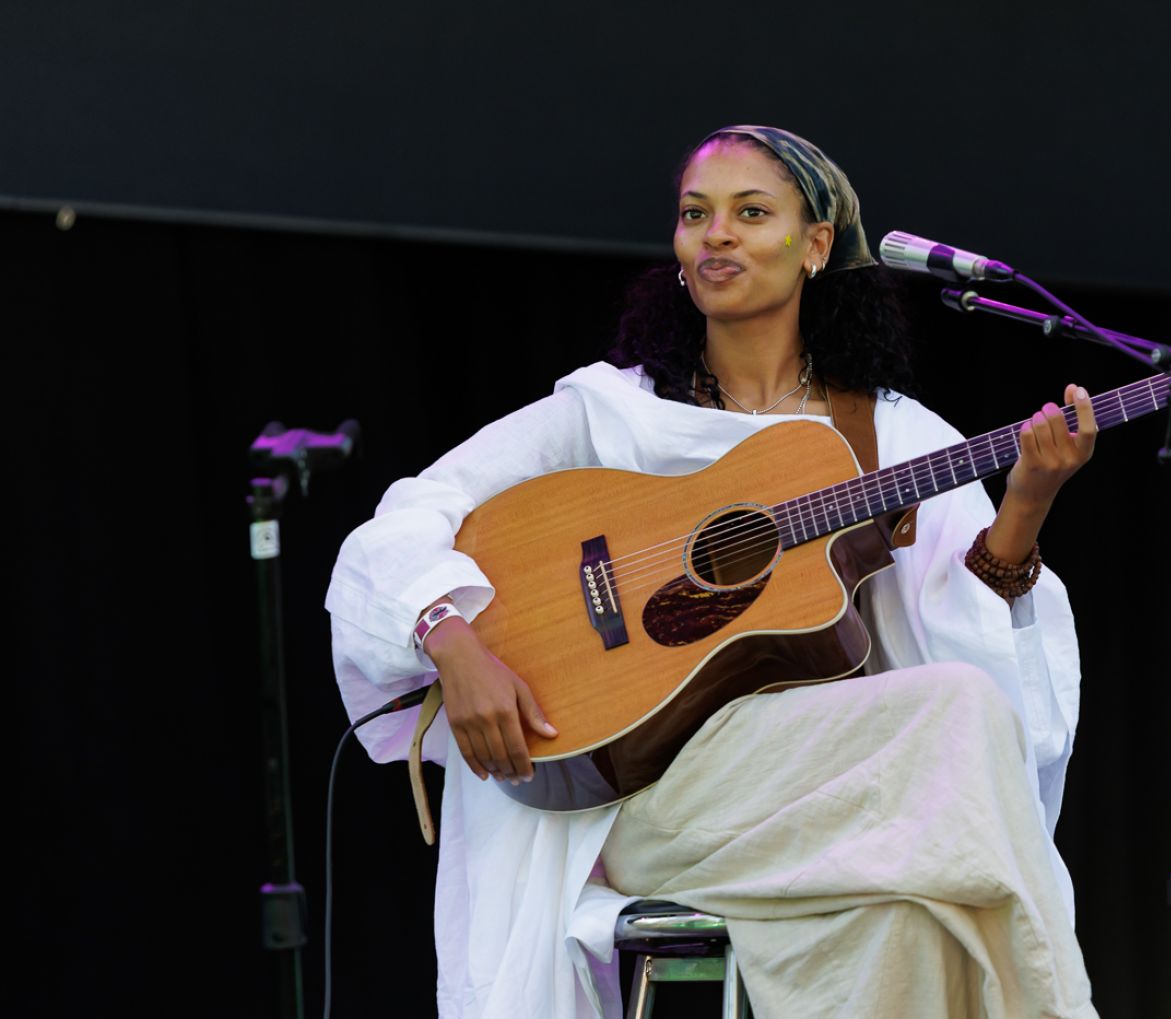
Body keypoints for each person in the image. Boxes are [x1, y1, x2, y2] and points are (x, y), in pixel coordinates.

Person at [328, 125, 1099, 1018]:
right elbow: (402, 521)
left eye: (751, 212)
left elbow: (968, 630)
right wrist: (448, 635)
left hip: (828, 790)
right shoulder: (610, 414)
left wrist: (1029, 502)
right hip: (642, 799)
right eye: (697, 214)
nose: (716, 234)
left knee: (915, 906)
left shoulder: (891, 435)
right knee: (958, 712)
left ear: (816, 247)